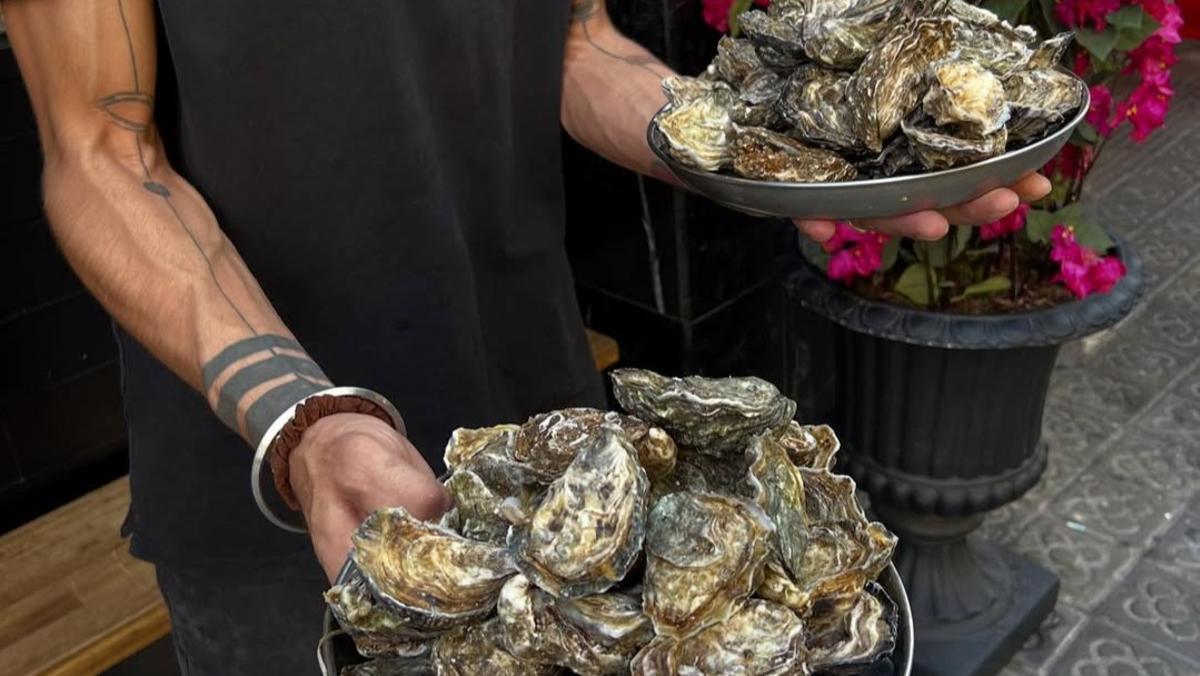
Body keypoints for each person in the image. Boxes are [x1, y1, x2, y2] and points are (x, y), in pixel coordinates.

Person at [2, 1, 1050, 673]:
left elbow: (572, 44)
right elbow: (100, 151)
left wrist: (777, 154)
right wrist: (305, 419)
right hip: (300, 505)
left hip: (552, 444)